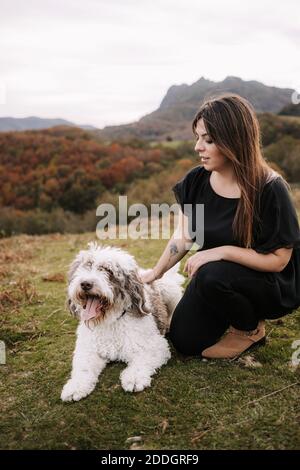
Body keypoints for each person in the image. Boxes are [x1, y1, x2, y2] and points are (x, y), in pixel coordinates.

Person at [140, 93, 300, 359]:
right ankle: (231, 308)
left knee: (212, 274)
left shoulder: (271, 188)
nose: (198, 147)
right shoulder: (196, 180)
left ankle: (249, 329)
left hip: (268, 283)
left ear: (234, 141)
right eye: (197, 138)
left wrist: (221, 251)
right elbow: (184, 236)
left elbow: (279, 261)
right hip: (215, 279)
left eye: (208, 140)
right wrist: (155, 273)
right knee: (184, 341)